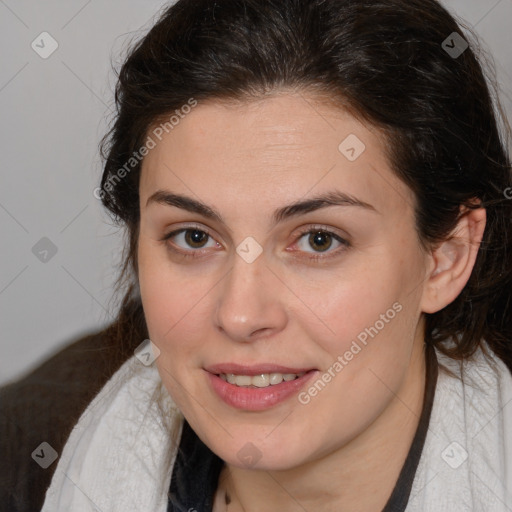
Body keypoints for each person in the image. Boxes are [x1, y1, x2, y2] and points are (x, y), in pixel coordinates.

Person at [1, 0, 511, 510]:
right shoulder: (25, 458)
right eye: (194, 237)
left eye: (318, 240)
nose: (240, 315)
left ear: (447, 256)